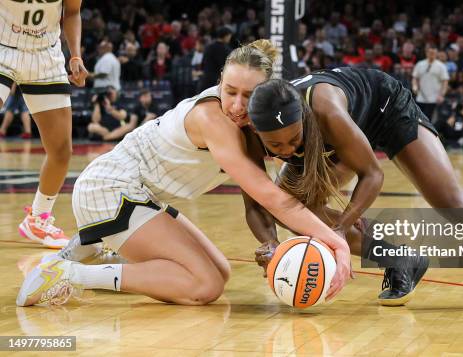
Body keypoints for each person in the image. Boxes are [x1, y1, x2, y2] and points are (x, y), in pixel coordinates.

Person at [16, 40, 351, 307]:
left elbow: (267, 196)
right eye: (230, 90)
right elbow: (270, 198)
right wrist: (337, 243)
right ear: (219, 80)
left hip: (139, 195)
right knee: (204, 286)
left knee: (220, 271)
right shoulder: (213, 120)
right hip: (111, 190)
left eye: (248, 96)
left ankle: (93, 251)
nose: (235, 105)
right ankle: (68, 273)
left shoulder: (250, 125)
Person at [243, 67, 463, 310]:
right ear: (258, 135)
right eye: (277, 147)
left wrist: (341, 225)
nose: (287, 151)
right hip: (346, 135)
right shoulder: (249, 138)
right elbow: (258, 204)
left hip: (384, 107)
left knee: (452, 203)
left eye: (294, 140)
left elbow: (372, 174)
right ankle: (400, 261)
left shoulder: (325, 111)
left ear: (303, 119)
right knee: (290, 209)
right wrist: (270, 245)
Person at [0, 0, 88, 248]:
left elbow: (71, 12)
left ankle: (37, 219)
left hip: (44, 55)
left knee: (61, 151)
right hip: (3, 47)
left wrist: (75, 55)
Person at [412, 45, 449, 121]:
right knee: (419, 120)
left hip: (434, 99)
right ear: (426, 53)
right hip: (421, 97)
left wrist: (442, 95)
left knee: (430, 121)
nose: (432, 54)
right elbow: (415, 78)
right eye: (430, 53)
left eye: (434, 53)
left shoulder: (441, 66)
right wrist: (414, 87)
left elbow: (445, 82)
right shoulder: (420, 64)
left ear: (436, 54)